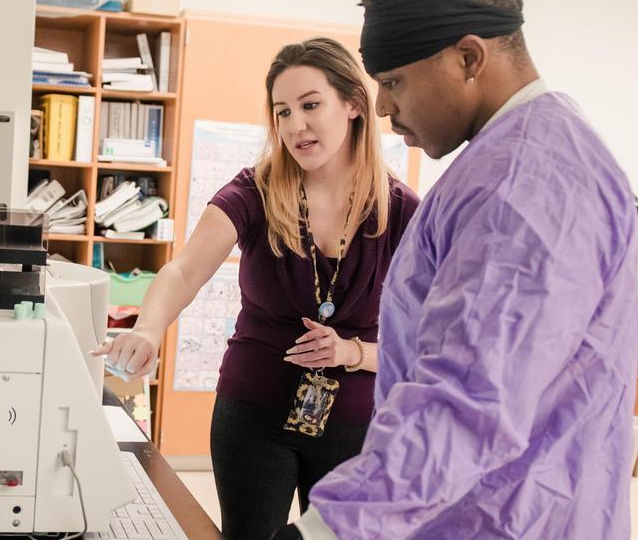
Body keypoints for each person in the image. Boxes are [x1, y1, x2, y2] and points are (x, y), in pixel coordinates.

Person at [275, 0, 638, 539]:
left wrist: (322, 532)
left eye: (393, 81)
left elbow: (467, 402)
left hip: (507, 517)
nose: (384, 106)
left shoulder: (524, 181)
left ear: (469, 57)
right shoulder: (521, 153)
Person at [92, 37, 419, 540]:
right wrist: (149, 329)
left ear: (354, 104)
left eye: (310, 105)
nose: (294, 126)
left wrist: (353, 352)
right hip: (253, 414)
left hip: (355, 424)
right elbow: (182, 271)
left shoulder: (403, 212)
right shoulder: (254, 191)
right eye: (282, 111)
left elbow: (428, 341)